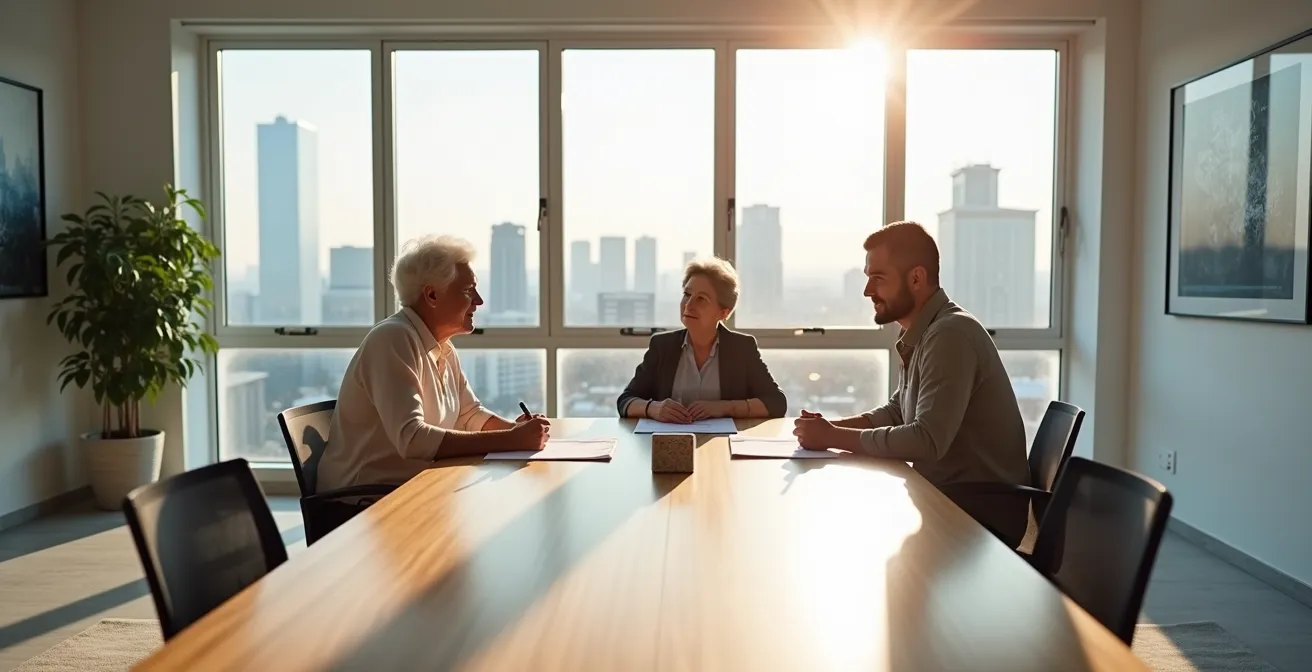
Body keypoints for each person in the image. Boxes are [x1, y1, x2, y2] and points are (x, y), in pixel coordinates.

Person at [792, 221, 1030, 544]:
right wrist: (830, 429)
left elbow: (926, 440)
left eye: (878, 278)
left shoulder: (949, 335)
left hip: (976, 515)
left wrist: (834, 436)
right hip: (946, 496)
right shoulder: (924, 330)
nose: (867, 291)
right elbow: (896, 411)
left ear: (916, 278)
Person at [315, 235, 549, 490]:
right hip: (361, 501)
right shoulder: (392, 338)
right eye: (468, 291)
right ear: (432, 295)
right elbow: (413, 439)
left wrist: (516, 431)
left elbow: (469, 414)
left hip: (410, 487)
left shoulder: (442, 347)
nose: (479, 301)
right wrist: (510, 440)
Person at [618, 257, 787, 422]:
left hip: (724, 445)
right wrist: (653, 408)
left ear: (723, 313)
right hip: (668, 445)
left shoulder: (742, 348)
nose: (688, 304)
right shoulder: (662, 346)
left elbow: (777, 403)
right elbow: (625, 401)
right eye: (687, 294)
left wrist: (723, 408)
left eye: (701, 299)